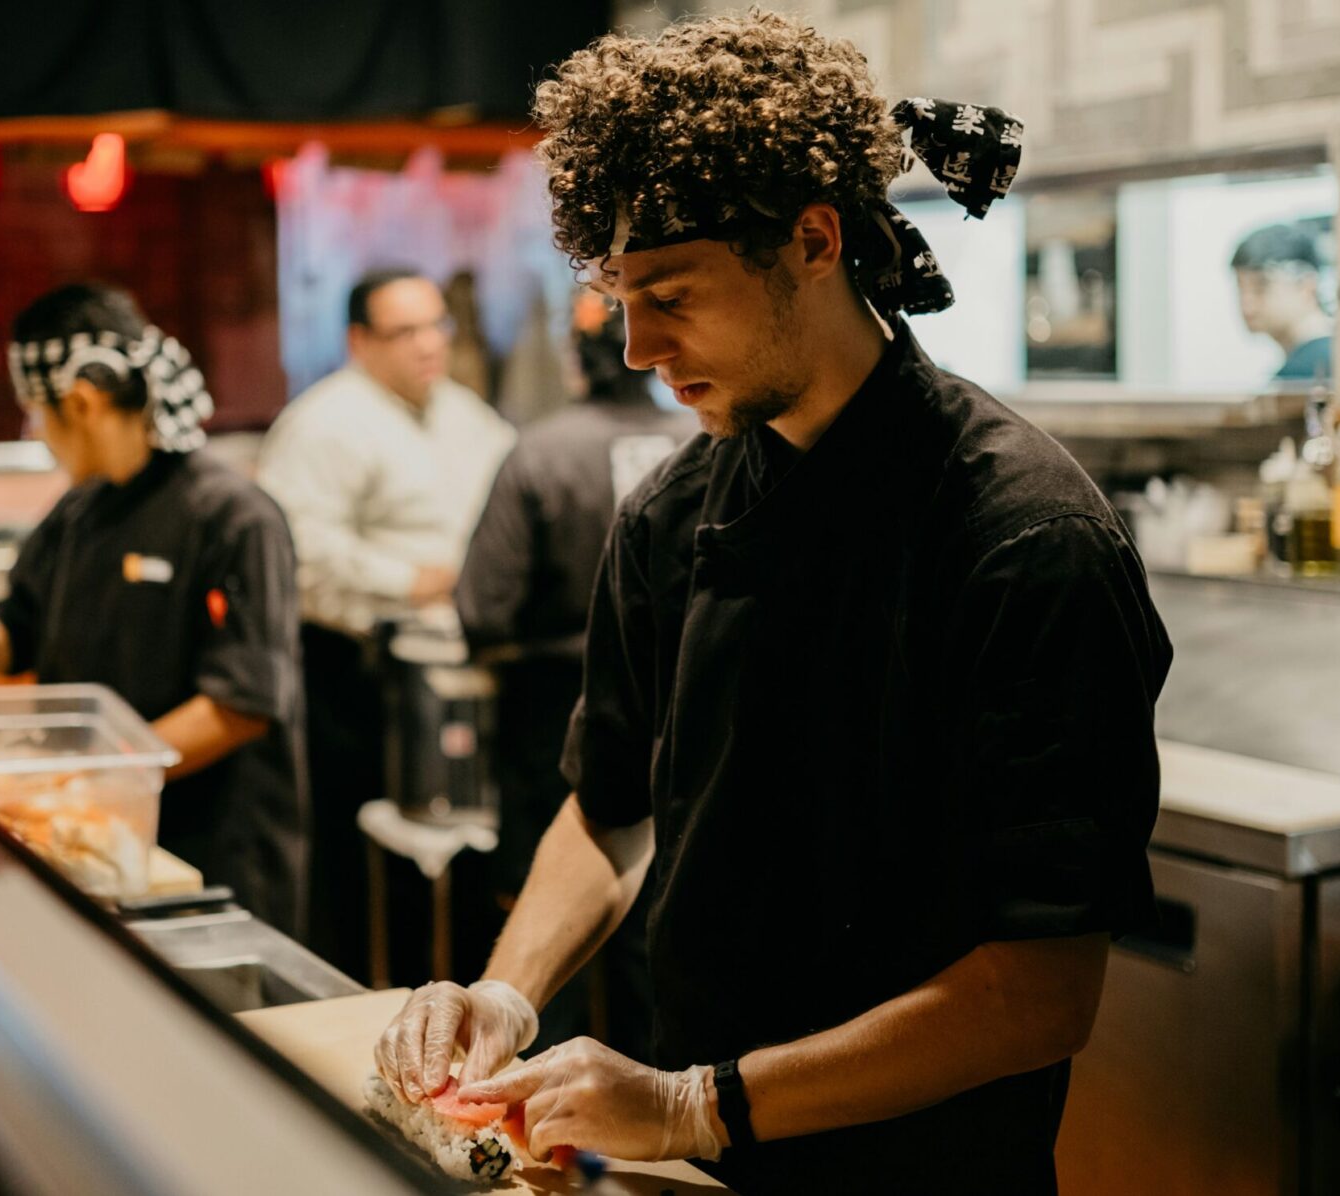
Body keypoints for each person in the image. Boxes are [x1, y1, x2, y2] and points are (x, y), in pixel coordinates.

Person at [372, 14, 1172, 1195]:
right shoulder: (667, 515)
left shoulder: (1022, 536)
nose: (636, 346)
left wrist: (693, 1101)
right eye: (619, 296)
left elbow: (1040, 988)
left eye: (670, 293)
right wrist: (505, 991)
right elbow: (608, 809)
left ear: (811, 240)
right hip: (702, 1171)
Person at [0, 283, 306, 935]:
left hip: (211, 866)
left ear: (82, 403)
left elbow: (240, 706)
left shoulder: (234, 518)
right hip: (100, 843)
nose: (36, 433)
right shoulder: (80, 509)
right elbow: (21, 622)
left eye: (36, 412)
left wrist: (95, 775)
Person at [454, 289, 693, 1062]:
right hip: (687, 712)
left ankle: (523, 1099)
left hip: (555, 714)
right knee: (658, 941)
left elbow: (483, 607)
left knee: (542, 948)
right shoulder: (705, 444)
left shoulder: (543, 451)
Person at [256, 268, 515, 975]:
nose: (429, 345)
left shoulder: (466, 414)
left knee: (464, 858)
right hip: (355, 673)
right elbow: (297, 552)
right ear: (360, 341)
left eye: (436, 326)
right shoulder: (323, 423)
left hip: (456, 668)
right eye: (405, 332)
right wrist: (410, 580)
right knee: (363, 869)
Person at [1231, 222, 1334, 381]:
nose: (1247, 304)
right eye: (1241, 288)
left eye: (1260, 286)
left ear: (1307, 287)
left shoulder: (1305, 374)